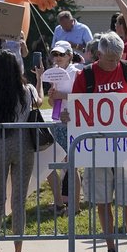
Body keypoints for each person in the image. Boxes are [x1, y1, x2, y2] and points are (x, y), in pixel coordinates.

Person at [63, 32, 127, 252]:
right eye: (109, 59)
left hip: (126, 148)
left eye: (117, 58)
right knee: (103, 200)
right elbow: (76, 106)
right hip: (96, 148)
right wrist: (67, 115)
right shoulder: (86, 75)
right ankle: (111, 249)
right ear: (98, 54)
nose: (113, 63)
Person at [0, 50, 40, 252]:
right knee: (19, 201)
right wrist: (40, 79)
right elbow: (39, 101)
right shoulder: (27, 90)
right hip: (24, 144)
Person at [41, 40, 81, 214]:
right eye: (54, 54)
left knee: (72, 165)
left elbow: (82, 96)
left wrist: (61, 95)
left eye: (61, 54)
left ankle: (75, 206)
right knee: (63, 164)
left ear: (70, 56)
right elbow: (52, 102)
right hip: (58, 121)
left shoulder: (76, 72)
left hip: (73, 122)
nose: (57, 58)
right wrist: (52, 95)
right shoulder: (55, 74)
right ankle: (64, 201)